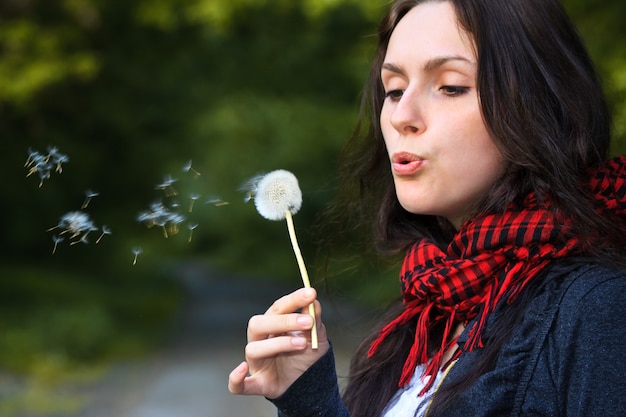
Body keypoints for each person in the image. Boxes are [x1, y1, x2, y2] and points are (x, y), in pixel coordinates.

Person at [228, 0, 626, 415]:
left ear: (541, 103)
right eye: (394, 90)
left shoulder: (600, 310)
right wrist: (308, 397)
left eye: (450, 86)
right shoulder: (430, 309)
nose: (403, 115)